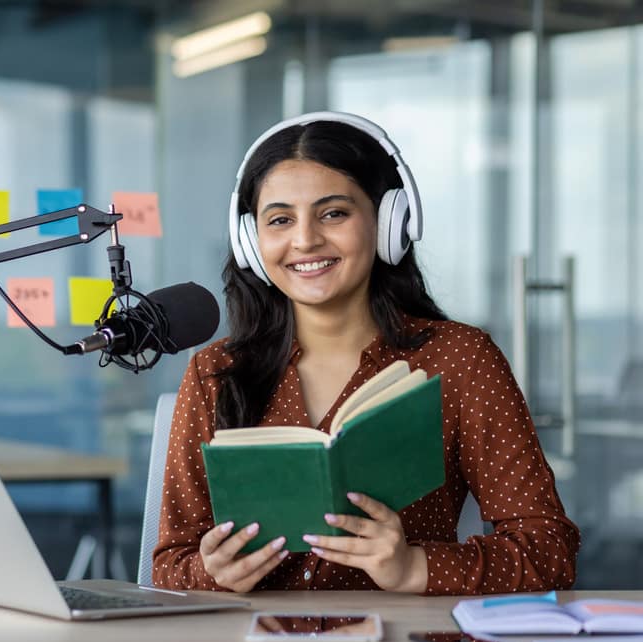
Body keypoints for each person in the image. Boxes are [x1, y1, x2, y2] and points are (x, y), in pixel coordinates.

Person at [152, 112, 579, 595]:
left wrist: (413, 567)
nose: (305, 239)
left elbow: (549, 550)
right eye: (280, 220)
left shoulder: (460, 359)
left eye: (334, 213)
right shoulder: (217, 372)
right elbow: (169, 567)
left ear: (388, 222)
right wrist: (212, 573)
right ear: (252, 241)